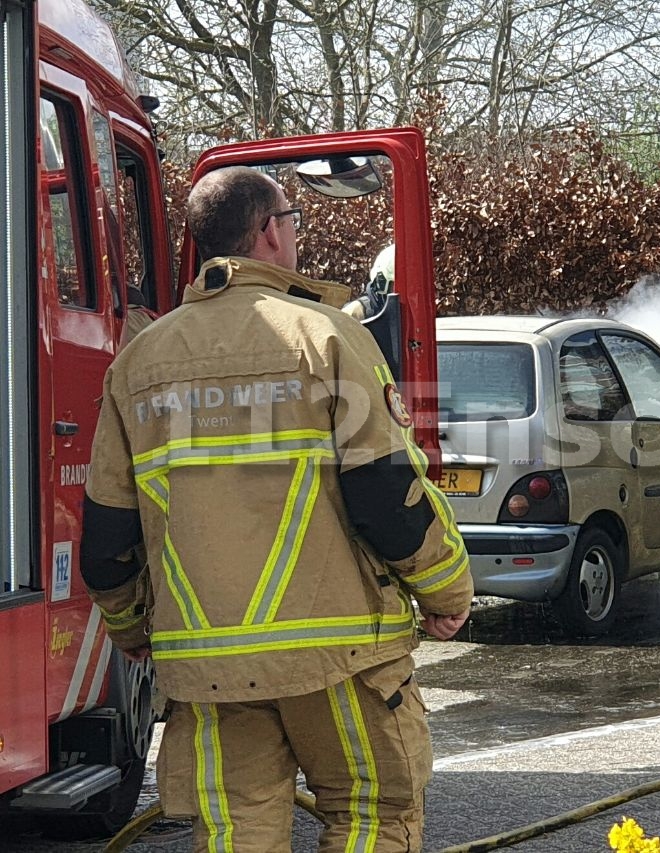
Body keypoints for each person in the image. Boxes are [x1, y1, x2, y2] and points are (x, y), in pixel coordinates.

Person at [78, 166, 473, 851]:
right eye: (291, 219)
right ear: (269, 231)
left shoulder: (137, 364)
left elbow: (108, 536)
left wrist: (130, 624)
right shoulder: (326, 337)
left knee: (235, 833)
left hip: (208, 668)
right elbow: (388, 493)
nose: (293, 232)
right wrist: (445, 587)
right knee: (372, 818)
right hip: (339, 653)